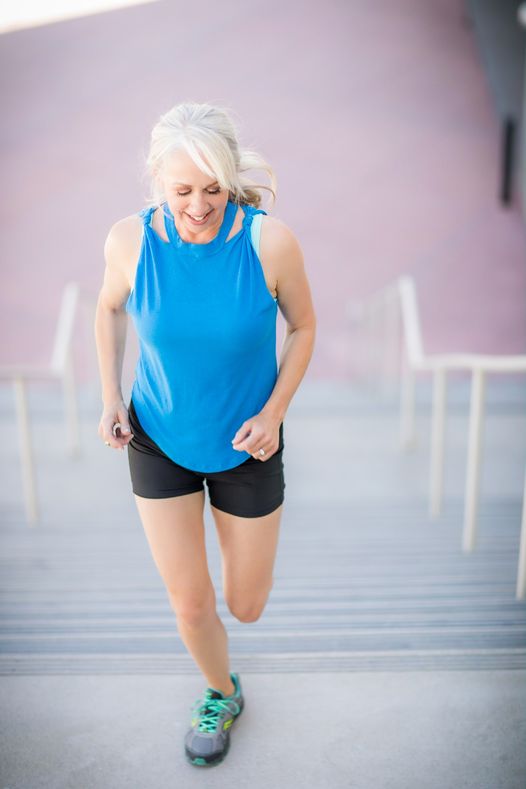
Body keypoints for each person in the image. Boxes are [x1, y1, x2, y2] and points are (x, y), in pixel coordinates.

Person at [94, 101, 316, 767]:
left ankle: (236, 577)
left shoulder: (268, 241)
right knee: (192, 605)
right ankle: (221, 690)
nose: (198, 206)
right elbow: (107, 308)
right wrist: (110, 395)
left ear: (231, 179)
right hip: (157, 437)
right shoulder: (129, 241)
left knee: (244, 605)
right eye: (182, 190)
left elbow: (304, 327)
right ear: (158, 182)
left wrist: (274, 411)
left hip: (248, 446)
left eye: (213, 189)